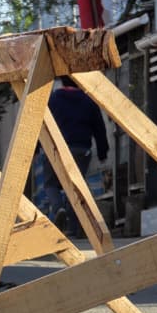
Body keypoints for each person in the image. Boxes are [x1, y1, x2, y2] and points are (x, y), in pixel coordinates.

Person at [32, 77, 109, 235]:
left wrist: (35, 147)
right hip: (81, 150)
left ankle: (58, 207)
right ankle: (72, 229)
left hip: (56, 149)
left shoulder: (53, 100)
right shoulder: (88, 101)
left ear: (63, 82)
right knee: (75, 188)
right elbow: (99, 128)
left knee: (51, 183)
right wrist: (102, 151)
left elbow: (41, 123)